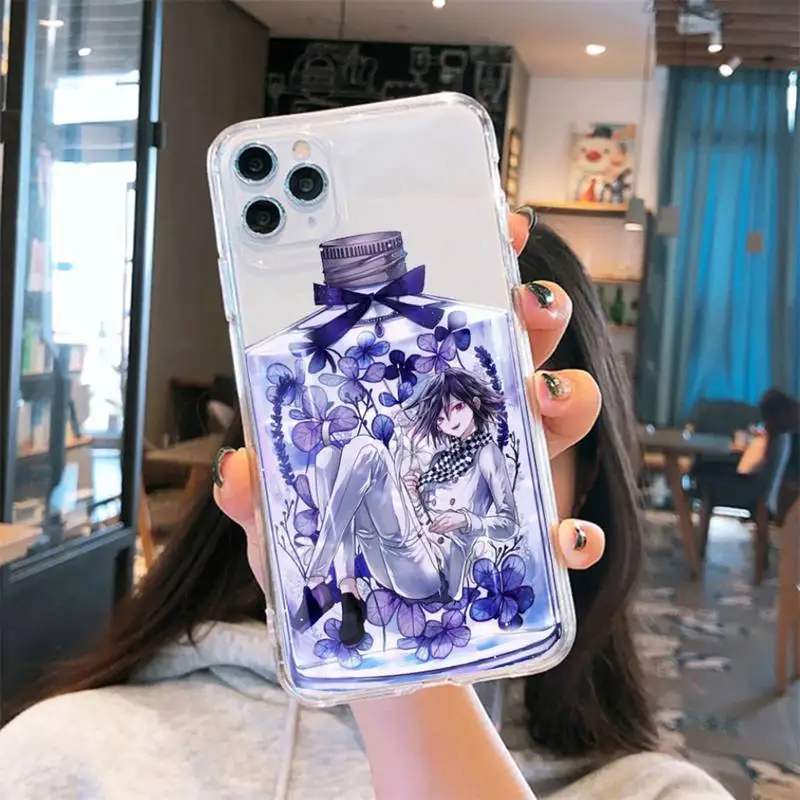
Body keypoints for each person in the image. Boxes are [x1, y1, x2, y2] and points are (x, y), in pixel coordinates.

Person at [0, 211, 730, 799]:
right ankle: (328, 572)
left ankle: (325, 576)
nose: (448, 418)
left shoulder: (655, 791)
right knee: (357, 455)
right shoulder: (69, 757)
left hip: (433, 569)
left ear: (586, 473)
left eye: (472, 407)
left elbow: (499, 519)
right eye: (435, 406)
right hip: (386, 552)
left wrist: (388, 669)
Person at [294, 367, 518, 646]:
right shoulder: (442, 460)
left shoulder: (487, 453)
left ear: (474, 403)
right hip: (393, 557)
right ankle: (348, 588)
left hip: (432, 574)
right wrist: (412, 495)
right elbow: (424, 519)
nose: (449, 421)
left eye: (456, 408)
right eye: (441, 417)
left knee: (369, 450)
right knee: (327, 458)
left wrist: (466, 520)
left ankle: (316, 579)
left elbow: (509, 524)